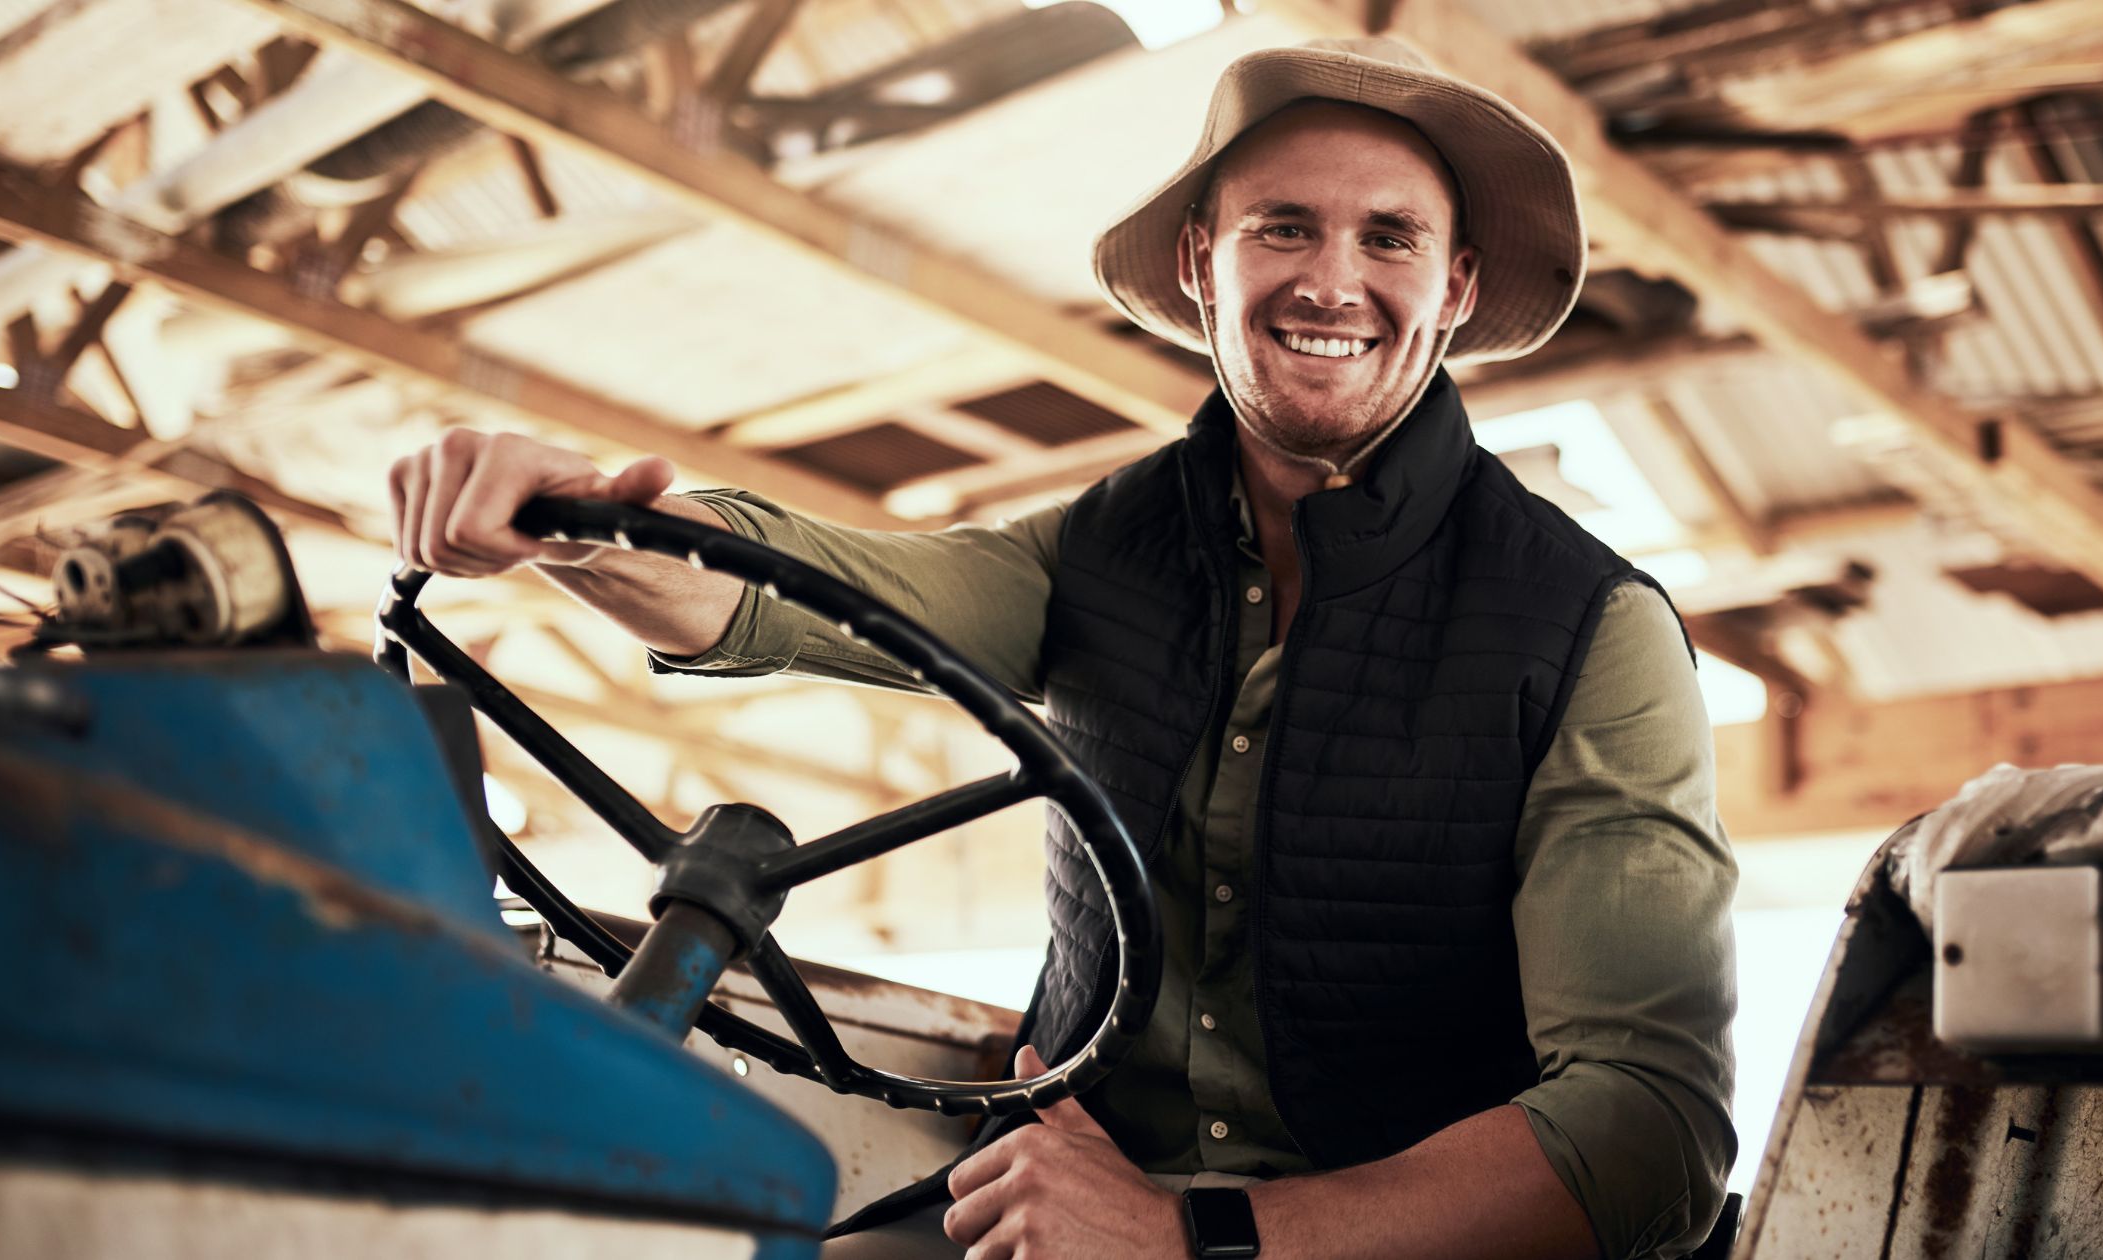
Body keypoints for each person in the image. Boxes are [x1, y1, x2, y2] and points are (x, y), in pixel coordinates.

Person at [389, 37, 1737, 1260]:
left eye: (1391, 240)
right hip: (1063, 1199)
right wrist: (588, 528)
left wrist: (1195, 1236)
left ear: (1456, 288)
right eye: (1285, 228)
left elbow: (1644, 1128)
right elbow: (821, 591)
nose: (1334, 279)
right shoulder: (1101, 549)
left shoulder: (1591, 635)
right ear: (1206, 263)